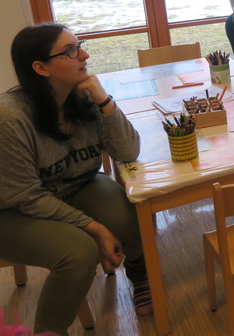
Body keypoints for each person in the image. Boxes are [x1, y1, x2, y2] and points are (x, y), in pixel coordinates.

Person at [0, 24, 151, 336]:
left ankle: (140, 276)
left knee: (133, 212)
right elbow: (26, 196)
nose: (84, 55)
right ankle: (49, 331)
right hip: (14, 210)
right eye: (70, 51)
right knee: (79, 252)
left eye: (79, 45)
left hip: (76, 185)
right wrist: (95, 228)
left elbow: (128, 151)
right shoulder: (10, 117)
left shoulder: (83, 96)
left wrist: (105, 101)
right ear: (41, 68)